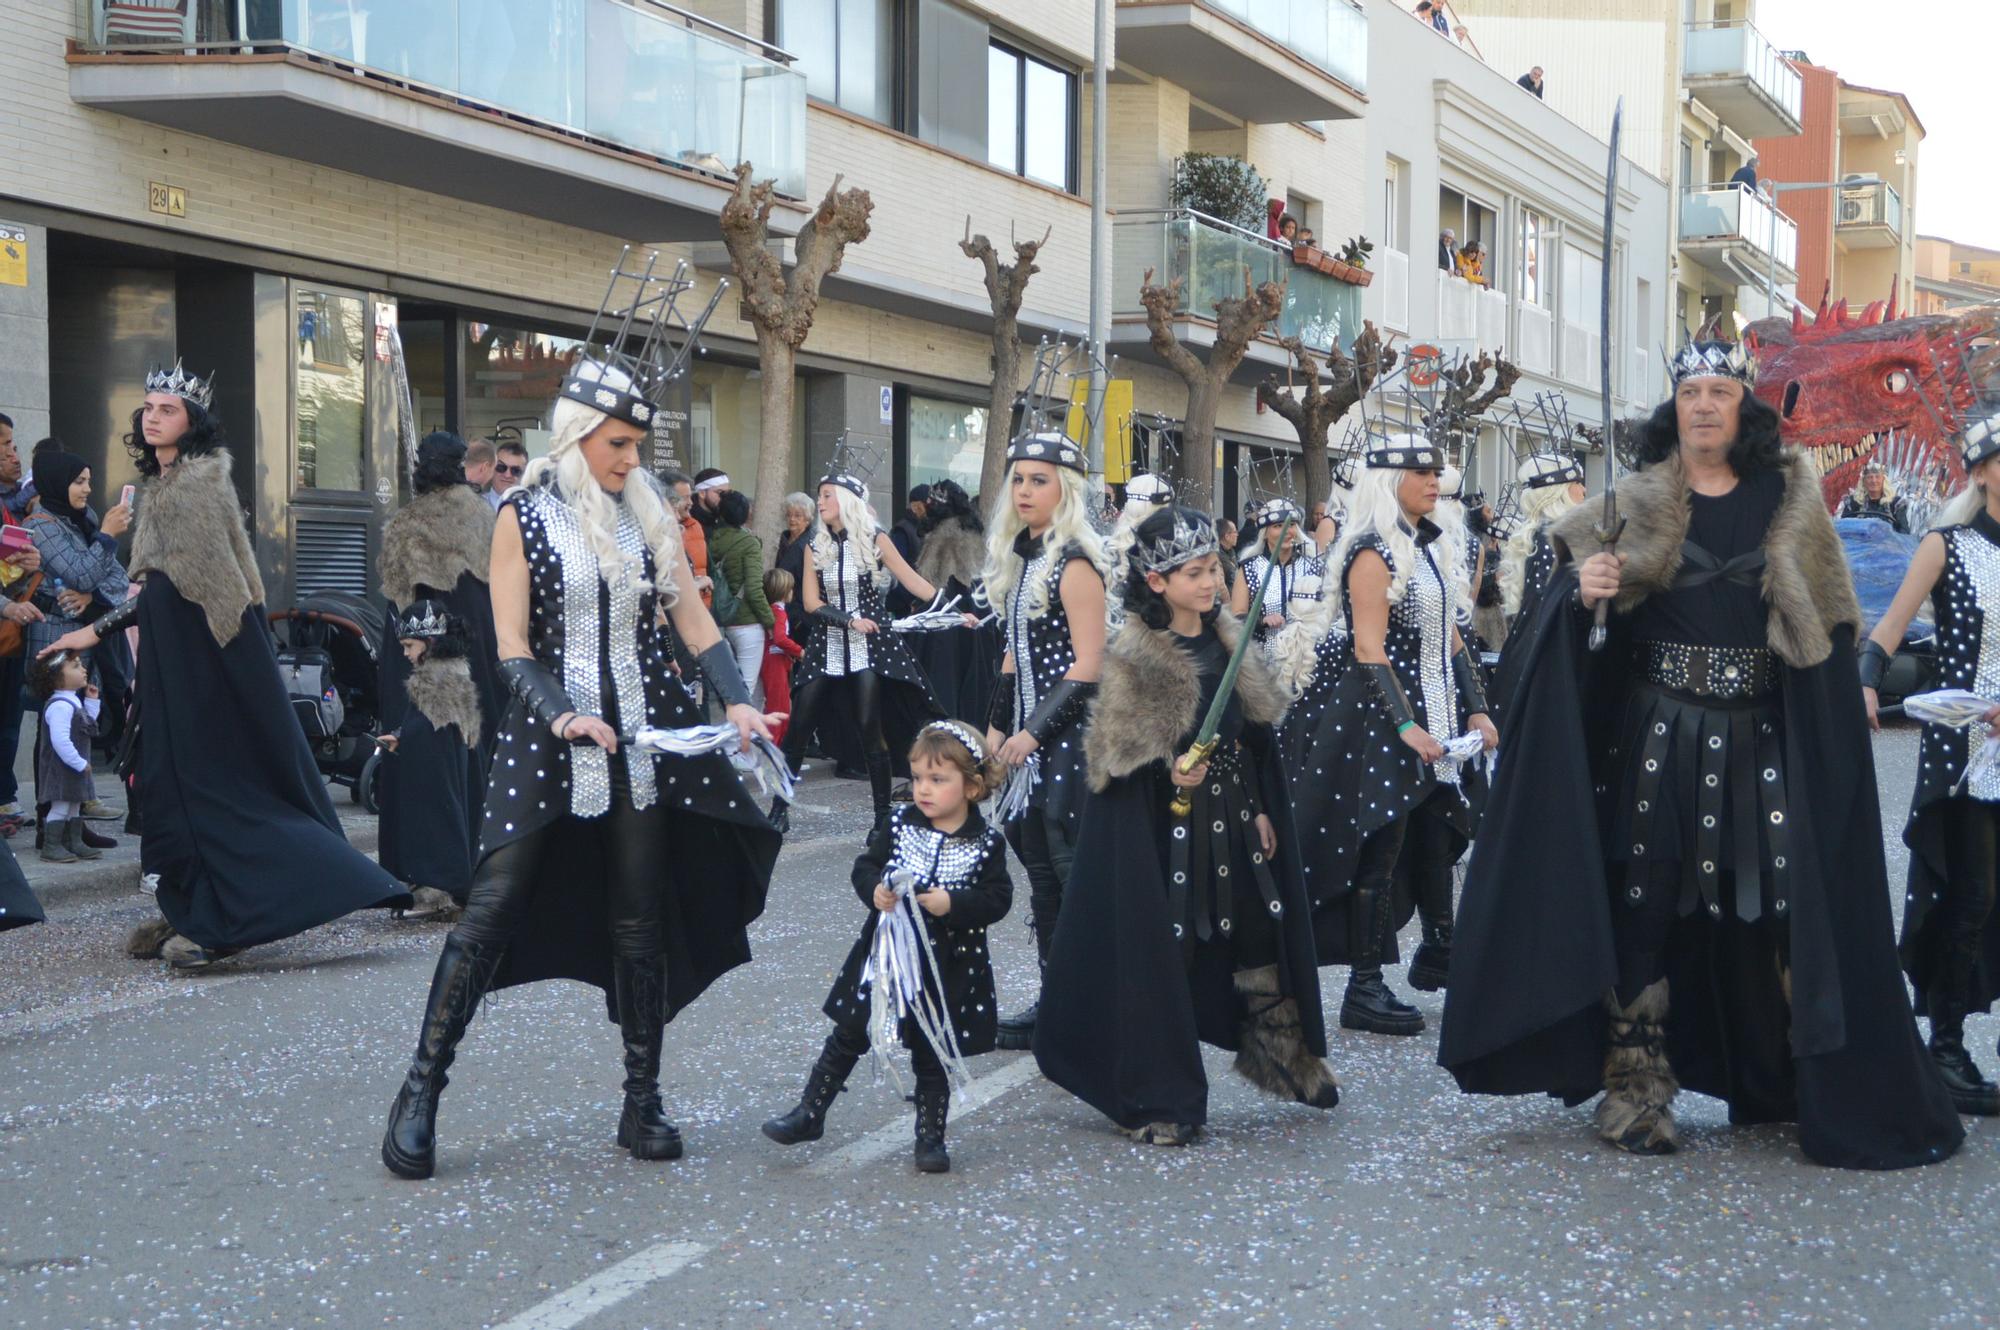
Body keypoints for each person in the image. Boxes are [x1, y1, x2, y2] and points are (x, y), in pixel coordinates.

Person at [1438, 339, 1965, 1170]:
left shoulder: (1790, 504)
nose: (1707, 406)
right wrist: (1583, 595)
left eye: (1722, 391)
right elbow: (1559, 631)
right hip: (1657, 736)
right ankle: (1637, 1091)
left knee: (1782, 907)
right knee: (1648, 904)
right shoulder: (1628, 505)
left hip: (1760, 735)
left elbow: (1825, 629)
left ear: (1743, 408)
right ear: (1675, 408)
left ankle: (1788, 1076)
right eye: (1693, 393)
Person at [377, 345, 783, 1181]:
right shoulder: (520, 517)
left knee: (639, 917)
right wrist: (563, 714)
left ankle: (642, 1100)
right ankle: (419, 1093)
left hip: (644, 736)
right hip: (546, 733)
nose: (633, 460)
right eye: (619, 445)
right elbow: (512, 647)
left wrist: (736, 698)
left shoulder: (649, 517)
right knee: (490, 908)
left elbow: (695, 625)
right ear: (577, 438)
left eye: (637, 446)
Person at [42, 360, 409, 971]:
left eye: (169, 410)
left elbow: (195, 591)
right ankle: (192, 907)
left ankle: (222, 923)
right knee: (171, 789)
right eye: (150, 408)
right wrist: (103, 629)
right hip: (179, 664)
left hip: (208, 669)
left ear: (193, 423)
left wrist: (96, 629)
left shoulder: (195, 487)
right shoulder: (170, 486)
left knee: (210, 789)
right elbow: (167, 588)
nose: (154, 417)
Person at [1034, 506, 1338, 1145]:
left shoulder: (1229, 640)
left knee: (1258, 929)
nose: (1210, 583)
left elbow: (1253, 742)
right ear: (1157, 582)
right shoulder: (1136, 657)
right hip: (1162, 834)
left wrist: (1257, 809)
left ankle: (1282, 1053)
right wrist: (1166, 768)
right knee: (1167, 955)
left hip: (1231, 817)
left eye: (1214, 570)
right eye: (1194, 573)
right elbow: (1116, 756)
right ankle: (1157, 1094)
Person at [1284, 436, 1495, 1035]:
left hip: (1435, 716)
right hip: (1380, 719)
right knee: (1380, 848)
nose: (1436, 480)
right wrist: (1407, 726)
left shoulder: (1429, 546)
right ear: (1387, 481)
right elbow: (1368, 648)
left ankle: (1442, 953)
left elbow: (1453, 637)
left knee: (1438, 832)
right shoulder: (1372, 553)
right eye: (1422, 471)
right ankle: (1364, 985)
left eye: (1437, 470)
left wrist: (1477, 711)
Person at [762, 721, 1013, 1172]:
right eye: (918, 778)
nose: (924, 790)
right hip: (885, 958)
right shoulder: (897, 823)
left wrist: (953, 903)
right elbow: (867, 866)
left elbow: (998, 899)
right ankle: (811, 1111)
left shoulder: (985, 842)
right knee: (850, 1031)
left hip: (948, 964)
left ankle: (930, 1137)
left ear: (972, 786)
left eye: (938, 780)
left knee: (931, 1048)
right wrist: (875, 889)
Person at [1859, 399, 2000, 1116]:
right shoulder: (1946, 544)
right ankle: (1944, 1048)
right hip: (1968, 744)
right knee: (1971, 895)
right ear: (1982, 472)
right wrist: (1863, 685)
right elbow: (1885, 631)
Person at [981, 432, 1107, 1050]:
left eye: (1040, 480)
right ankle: (1058, 999)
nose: (1025, 490)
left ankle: (1085, 1006)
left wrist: (1032, 732)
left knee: (1070, 871)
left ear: (1067, 491)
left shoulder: (1075, 561)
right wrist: (997, 726)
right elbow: (1012, 656)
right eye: (1020, 479)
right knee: (1038, 869)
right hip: (1030, 743)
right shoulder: (1020, 556)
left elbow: (1089, 663)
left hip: (1070, 740)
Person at [377, 430, 501, 920]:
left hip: (424, 650)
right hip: (478, 649)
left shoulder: (412, 521)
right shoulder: (483, 515)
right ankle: (478, 868)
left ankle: (435, 876)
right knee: (473, 753)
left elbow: (401, 592)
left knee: (425, 756)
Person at [783, 459, 948, 828]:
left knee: (870, 728)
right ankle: (779, 809)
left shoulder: (876, 539)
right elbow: (810, 603)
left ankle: (881, 816)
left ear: (845, 499)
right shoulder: (814, 545)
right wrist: (849, 620)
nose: (820, 502)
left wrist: (956, 609)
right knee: (799, 724)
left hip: (871, 647)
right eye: (819, 495)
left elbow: (913, 581)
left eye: (826, 495)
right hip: (827, 643)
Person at [1491, 452, 1585, 722]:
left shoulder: (1546, 534)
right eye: (1577, 483)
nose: (1584, 490)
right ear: (1559, 491)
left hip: (1532, 653)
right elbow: (1549, 609)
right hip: (1545, 660)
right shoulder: (1553, 538)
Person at [22, 450, 130, 667]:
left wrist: (92, 597)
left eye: (88, 481)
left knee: (93, 699)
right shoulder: (40, 526)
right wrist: (107, 535)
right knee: (59, 699)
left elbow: (120, 578)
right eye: (79, 482)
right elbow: (81, 576)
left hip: (92, 630)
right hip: (54, 633)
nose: (88, 489)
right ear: (58, 482)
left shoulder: (83, 518)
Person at [912, 478, 1000, 727]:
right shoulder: (971, 531)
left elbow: (928, 581)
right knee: (970, 683)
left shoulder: (942, 536)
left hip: (947, 616)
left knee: (943, 683)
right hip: (973, 613)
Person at [0, 427, 45, 835]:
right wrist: (8, 603)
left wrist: (27, 564)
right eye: (6, 446)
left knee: (9, 718)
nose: (16, 455)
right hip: (7, 620)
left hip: (11, 634)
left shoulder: (12, 507)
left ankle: (4, 798)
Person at [31, 650, 103, 864]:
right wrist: (79, 762)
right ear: (56, 678)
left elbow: (87, 724)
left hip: (74, 768)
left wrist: (91, 701)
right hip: (63, 769)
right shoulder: (60, 706)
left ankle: (74, 841)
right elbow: (60, 741)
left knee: (74, 805)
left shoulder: (72, 701)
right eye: (75, 666)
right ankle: (51, 846)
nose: (83, 669)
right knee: (61, 807)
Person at [1230, 499, 1327, 644]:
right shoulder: (1249, 568)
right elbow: (1237, 617)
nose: (1287, 532)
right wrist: (1262, 621)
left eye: (1291, 525)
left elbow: (1327, 609)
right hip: (1262, 657)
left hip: (1307, 652)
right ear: (1265, 533)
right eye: (1278, 526)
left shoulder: (1313, 565)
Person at [708, 488, 773, 701]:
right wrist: (770, 621)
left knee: (729, 689)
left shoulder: (711, 540)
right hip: (747, 624)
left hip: (719, 623)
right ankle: (739, 733)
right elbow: (754, 590)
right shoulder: (748, 544)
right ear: (745, 514)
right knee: (745, 692)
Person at [760, 568, 803, 748]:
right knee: (779, 709)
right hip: (775, 664)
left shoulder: (774, 610)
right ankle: (776, 752)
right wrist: (799, 651)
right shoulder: (778, 612)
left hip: (775, 662)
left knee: (780, 707)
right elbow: (779, 638)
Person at [660, 467, 711, 611]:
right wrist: (698, 584)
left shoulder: (695, 526)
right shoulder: (656, 540)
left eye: (690, 496)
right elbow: (668, 588)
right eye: (685, 498)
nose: (691, 502)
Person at [886, 484, 932, 618]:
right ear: (916, 506)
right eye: (928, 504)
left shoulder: (925, 528)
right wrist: (910, 599)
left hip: (921, 597)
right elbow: (896, 567)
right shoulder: (903, 530)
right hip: (907, 603)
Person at [775, 491, 816, 624]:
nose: (792, 519)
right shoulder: (781, 539)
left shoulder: (810, 543)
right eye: (789, 515)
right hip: (780, 606)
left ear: (808, 518)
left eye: (798, 515)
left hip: (799, 611)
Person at [1840, 461, 1910, 532]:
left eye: (1877, 477)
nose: (1874, 481)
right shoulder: (1853, 502)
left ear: (1883, 480)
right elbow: (1843, 528)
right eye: (1870, 477)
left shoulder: (1895, 504)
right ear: (1864, 481)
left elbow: (1904, 532)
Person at [464, 439, 500, 511]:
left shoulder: (446, 486)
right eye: (493, 469)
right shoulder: (470, 501)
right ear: (485, 467)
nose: (493, 474)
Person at [691, 468, 730, 533]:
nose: (724, 497)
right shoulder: (690, 523)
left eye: (727, 493)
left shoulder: (726, 518)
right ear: (702, 493)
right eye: (720, 492)